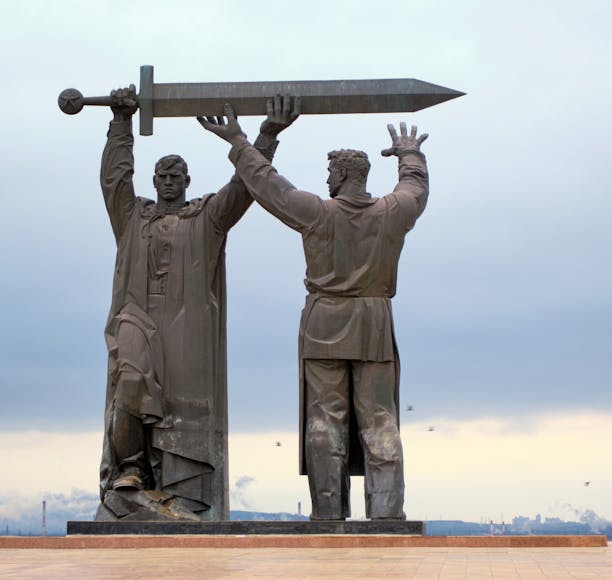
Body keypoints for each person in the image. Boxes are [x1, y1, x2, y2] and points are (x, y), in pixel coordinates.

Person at [199, 105, 428, 520]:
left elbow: (268, 186)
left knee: (325, 423)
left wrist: (238, 141)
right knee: (380, 422)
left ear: (341, 176)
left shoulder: (317, 212)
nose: (326, 181)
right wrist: (410, 154)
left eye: (330, 175)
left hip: (325, 322)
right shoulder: (393, 212)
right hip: (373, 322)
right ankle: (387, 516)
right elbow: (415, 189)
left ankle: (327, 515)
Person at [97, 88, 298, 521]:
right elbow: (114, 180)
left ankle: (176, 492)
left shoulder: (208, 216)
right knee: (129, 381)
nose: (168, 182)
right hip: (136, 316)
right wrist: (120, 124)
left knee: (180, 409)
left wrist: (264, 138)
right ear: (153, 182)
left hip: (187, 327)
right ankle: (129, 472)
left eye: (176, 176)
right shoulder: (132, 217)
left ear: (187, 181)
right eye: (162, 176)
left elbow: (245, 189)